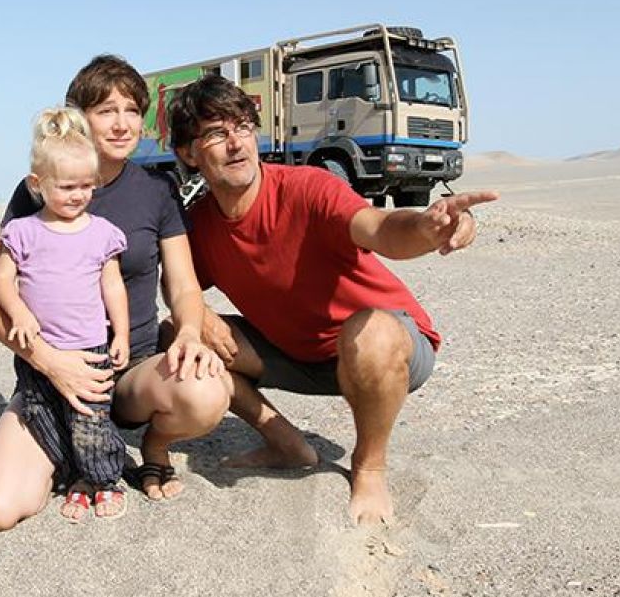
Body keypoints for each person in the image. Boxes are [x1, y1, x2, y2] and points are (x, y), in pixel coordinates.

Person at [168, 74, 499, 525]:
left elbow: (380, 227)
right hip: (297, 355)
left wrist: (426, 228)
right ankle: (285, 441)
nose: (236, 143)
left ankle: (369, 466)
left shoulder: (308, 188)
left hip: (385, 350)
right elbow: (180, 288)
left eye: (243, 126)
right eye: (216, 133)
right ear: (188, 152)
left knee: (373, 333)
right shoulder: (201, 225)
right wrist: (199, 317)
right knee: (179, 333)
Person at [0, 56, 229, 530]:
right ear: (78, 115)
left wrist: (190, 332)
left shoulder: (158, 191)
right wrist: (47, 360)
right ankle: (71, 454)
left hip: (128, 372)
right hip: (49, 373)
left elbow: (184, 285)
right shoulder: (41, 191)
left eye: (132, 110)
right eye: (107, 110)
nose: (122, 123)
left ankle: (151, 448)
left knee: (207, 393)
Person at [0, 107, 132, 522]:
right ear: (38, 184)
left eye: (87, 186)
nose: (78, 195)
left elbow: (113, 286)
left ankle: (104, 480)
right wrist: (18, 311)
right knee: (46, 418)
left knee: (89, 422)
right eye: (67, 186)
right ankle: (75, 477)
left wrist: (119, 334)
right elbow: (1, 281)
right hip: (39, 351)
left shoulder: (101, 232)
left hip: (89, 349)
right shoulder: (23, 231)